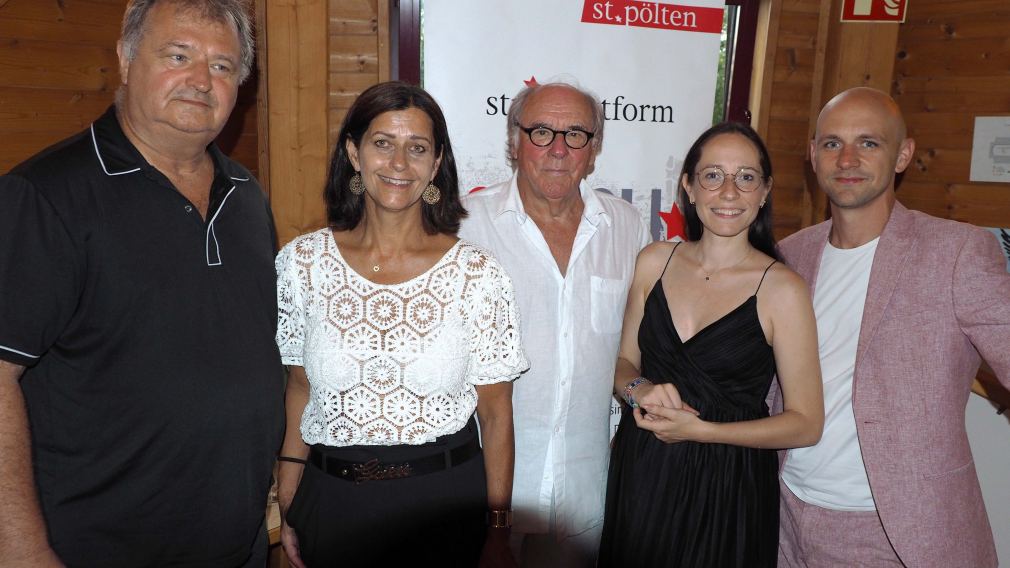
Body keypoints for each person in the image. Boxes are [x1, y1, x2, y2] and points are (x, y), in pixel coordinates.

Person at [0, 1, 283, 566]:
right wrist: (22, 551)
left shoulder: (246, 197)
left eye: (223, 66)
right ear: (127, 60)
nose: (201, 81)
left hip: (238, 544)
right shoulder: (46, 197)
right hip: (98, 548)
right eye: (178, 56)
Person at [274, 81, 528, 567]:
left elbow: (496, 417)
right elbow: (300, 387)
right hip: (332, 505)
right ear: (353, 152)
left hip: (443, 510)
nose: (398, 163)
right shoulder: (302, 264)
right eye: (382, 143)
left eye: (417, 148)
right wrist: (290, 498)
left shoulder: (477, 275)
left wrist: (498, 531)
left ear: (435, 166)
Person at [775, 87, 1010, 568]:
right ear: (812, 154)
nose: (846, 159)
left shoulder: (957, 253)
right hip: (786, 517)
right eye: (831, 143)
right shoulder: (789, 255)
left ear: (903, 155)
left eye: (869, 143)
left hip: (899, 531)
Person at [599, 122, 825, 567]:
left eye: (745, 177)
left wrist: (703, 431)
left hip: (728, 485)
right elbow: (623, 362)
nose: (728, 192)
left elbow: (805, 423)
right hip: (645, 470)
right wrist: (638, 390)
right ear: (688, 186)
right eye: (712, 175)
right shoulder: (654, 261)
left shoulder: (781, 289)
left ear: (764, 192)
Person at [459, 80, 651, 567]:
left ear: (595, 149)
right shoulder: (463, 227)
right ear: (513, 140)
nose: (559, 150)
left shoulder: (628, 229)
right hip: (478, 494)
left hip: (585, 497)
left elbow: (635, 350)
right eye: (541, 131)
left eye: (576, 135)